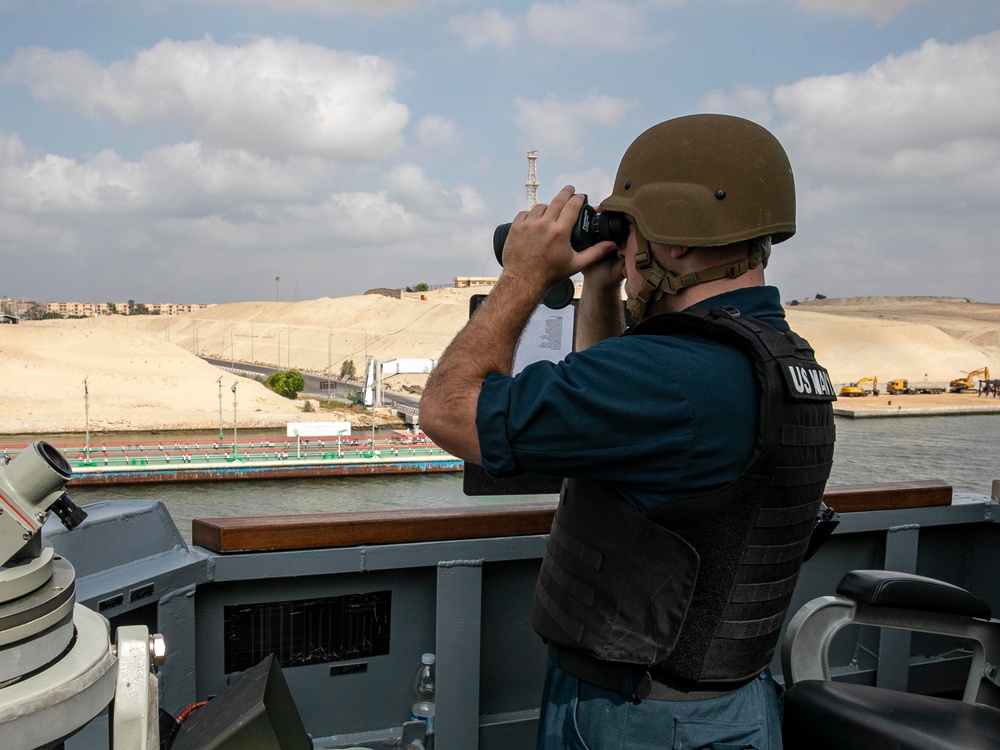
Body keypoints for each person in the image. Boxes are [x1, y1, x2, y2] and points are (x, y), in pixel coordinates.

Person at [420, 113, 836, 749]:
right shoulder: (781, 359)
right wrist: (601, 286)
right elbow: (608, 416)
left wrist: (524, 275)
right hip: (732, 707)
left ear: (672, 242)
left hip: (640, 720)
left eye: (631, 229)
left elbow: (448, 410)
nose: (627, 247)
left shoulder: (671, 376)